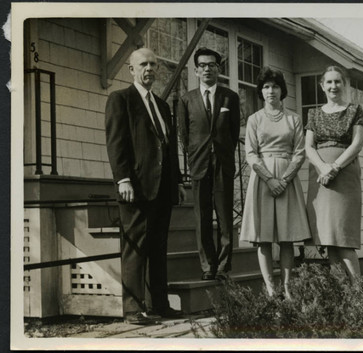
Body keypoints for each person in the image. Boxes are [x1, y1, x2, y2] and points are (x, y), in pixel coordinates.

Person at [105, 48, 186, 325]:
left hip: (162, 188)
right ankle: (132, 309)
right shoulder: (121, 100)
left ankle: (159, 305)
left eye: (153, 64)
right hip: (136, 187)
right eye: (143, 64)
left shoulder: (161, 106)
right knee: (135, 247)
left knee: (158, 247)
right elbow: (117, 143)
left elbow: (168, 147)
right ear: (131, 69)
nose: (149, 68)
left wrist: (177, 181)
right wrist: (123, 179)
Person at [240, 67, 311, 299]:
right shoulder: (254, 119)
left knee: (287, 237)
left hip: (286, 179)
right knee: (264, 238)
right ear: (261, 91)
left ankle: (288, 288)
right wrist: (269, 179)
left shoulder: (294, 119)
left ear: (282, 90)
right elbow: (251, 153)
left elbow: (299, 153)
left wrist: (284, 179)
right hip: (262, 181)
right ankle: (271, 290)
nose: (271, 91)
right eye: (266, 87)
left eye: (275, 86)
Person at [177, 47, 240, 281]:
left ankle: (223, 266)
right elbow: (184, 135)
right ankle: (207, 267)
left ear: (218, 69)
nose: (207, 69)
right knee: (202, 217)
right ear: (196, 70)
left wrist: (221, 153)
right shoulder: (186, 100)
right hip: (199, 164)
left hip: (223, 163)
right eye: (202, 65)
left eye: (211, 65)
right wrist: (197, 156)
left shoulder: (230, 97)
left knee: (224, 216)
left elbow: (233, 133)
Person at [304, 66, 363, 282]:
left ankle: (359, 293)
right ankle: (341, 291)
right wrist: (323, 167)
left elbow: (357, 144)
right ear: (322, 86)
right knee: (328, 238)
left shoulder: (354, 110)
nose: (333, 86)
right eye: (329, 82)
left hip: (345, 177)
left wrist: (335, 167)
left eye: (337, 82)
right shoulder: (314, 113)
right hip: (321, 180)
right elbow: (308, 147)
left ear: (344, 84)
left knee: (344, 237)